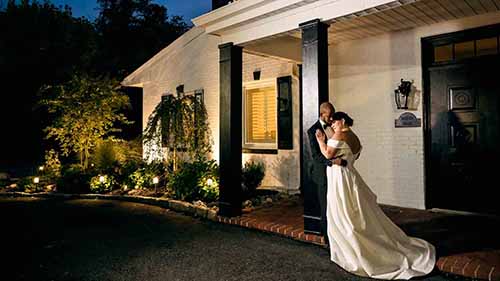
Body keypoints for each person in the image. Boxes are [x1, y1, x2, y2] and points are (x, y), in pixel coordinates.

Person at [315, 111, 435, 280]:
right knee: (356, 214)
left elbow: (328, 154)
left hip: (340, 179)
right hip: (350, 175)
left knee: (344, 215)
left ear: (342, 121)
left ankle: (356, 253)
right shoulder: (353, 136)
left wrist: (321, 141)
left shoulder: (340, 134)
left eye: (334, 122)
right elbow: (352, 156)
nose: (332, 126)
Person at [307, 102, 347, 245]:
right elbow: (316, 156)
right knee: (326, 206)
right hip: (322, 173)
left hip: (336, 174)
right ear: (322, 114)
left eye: (332, 116)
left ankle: (338, 235)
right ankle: (328, 240)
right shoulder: (313, 130)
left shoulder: (333, 127)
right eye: (329, 116)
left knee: (336, 204)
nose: (331, 119)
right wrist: (332, 162)